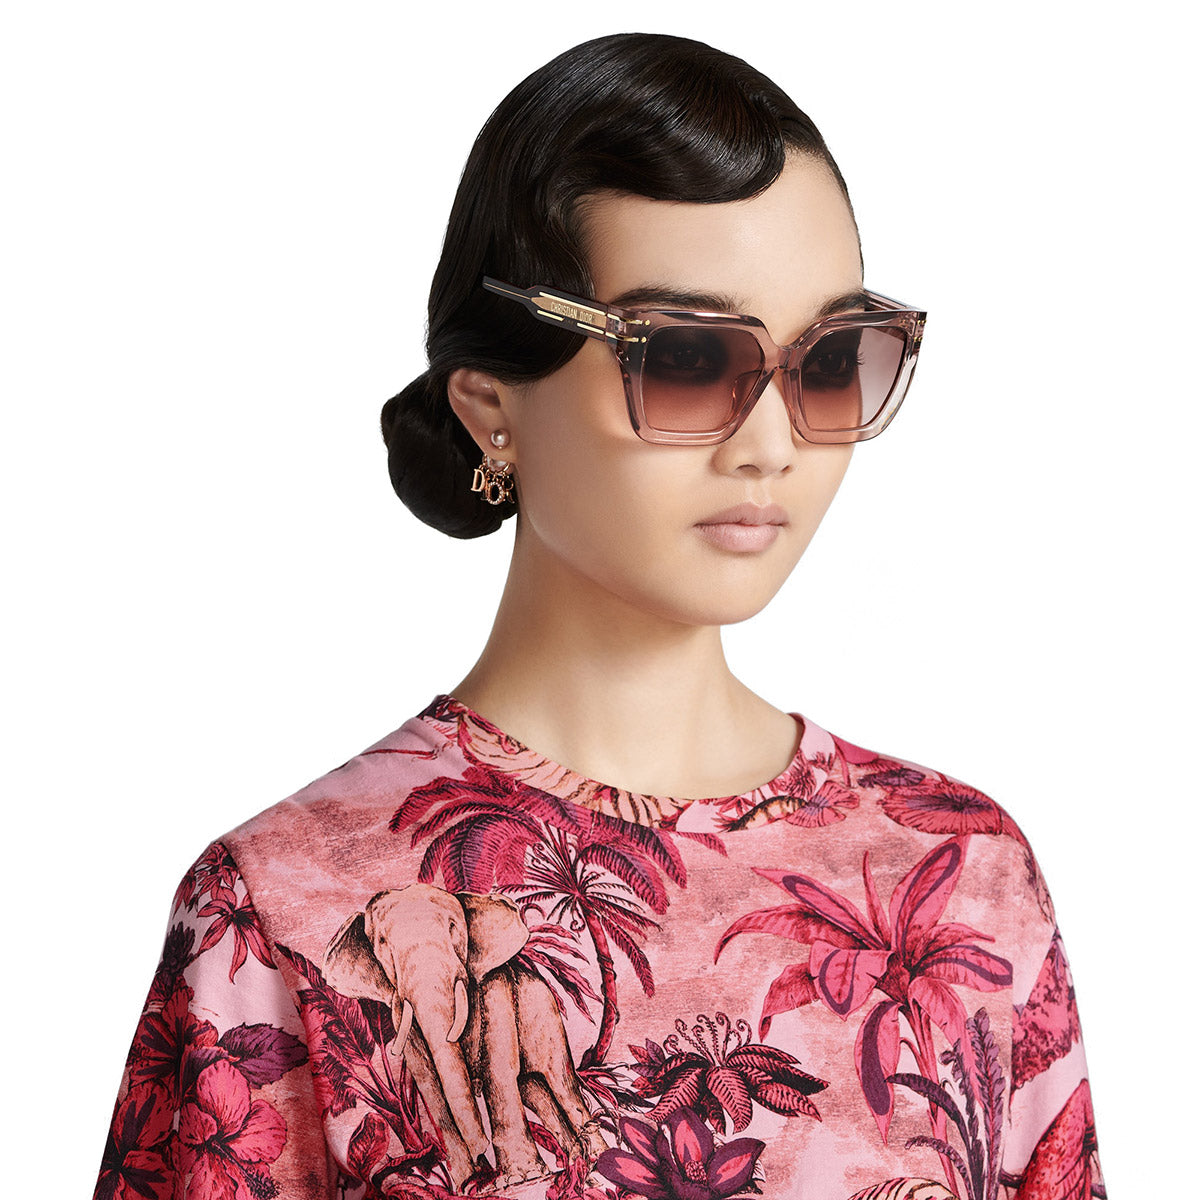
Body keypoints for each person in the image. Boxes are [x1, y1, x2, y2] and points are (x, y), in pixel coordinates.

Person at [92, 32, 1105, 1200]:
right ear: (492, 407)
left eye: (829, 361)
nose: (771, 443)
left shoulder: (963, 875)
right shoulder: (279, 906)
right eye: (687, 358)